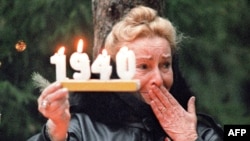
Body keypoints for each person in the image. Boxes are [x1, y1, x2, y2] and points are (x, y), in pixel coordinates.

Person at [28, 5, 223, 141]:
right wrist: (53, 134)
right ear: (116, 70)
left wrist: (189, 139)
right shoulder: (80, 129)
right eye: (143, 67)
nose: (158, 79)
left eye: (165, 65)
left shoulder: (199, 130)